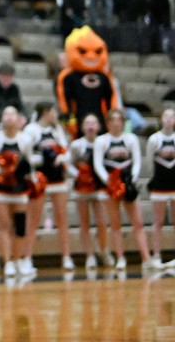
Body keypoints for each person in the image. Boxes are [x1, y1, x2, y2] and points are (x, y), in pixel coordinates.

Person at [0, 106, 35, 277]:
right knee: (4, 226)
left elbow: (29, 163)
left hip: (19, 189)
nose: (9, 117)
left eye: (12, 114)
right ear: (2, 118)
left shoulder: (25, 140)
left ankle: (18, 260)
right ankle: (8, 262)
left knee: (19, 226)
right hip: (0, 189)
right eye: (6, 114)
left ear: (18, 119)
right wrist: (1, 170)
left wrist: (31, 178)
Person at [94, 108, 154, 271]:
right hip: (110, 188)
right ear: (107, 123)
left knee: (138, 223)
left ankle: (146, 258)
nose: (116, 123)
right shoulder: (101, 141)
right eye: (112, 120)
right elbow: (98, 164)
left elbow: (136, 161)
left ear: (123, 122)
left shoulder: (131, 139)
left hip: (128, 186)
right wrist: (110, 181)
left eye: (119, 119)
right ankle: (120, 258)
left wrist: (131, 180)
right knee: (115, 225)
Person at [24, 101, 73, 270]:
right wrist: (43, 160)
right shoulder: (31, 130)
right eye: (54, 111)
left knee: (62, 218)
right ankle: (27, 258)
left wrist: (60, 158)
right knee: (33, 219)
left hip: (58, 178)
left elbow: (66, 152)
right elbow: (27, 155)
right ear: (45, 112)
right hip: (40, 178)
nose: (56, 114)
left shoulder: (57, 130)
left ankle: (66, 257)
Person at [68, 113, 110, 269]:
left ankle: (104, 250)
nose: (91, 126)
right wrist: (78, 175)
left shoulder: (104, 142)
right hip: (82, 189)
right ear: (82, 127)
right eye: (87, 123)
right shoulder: (76, 145)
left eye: (94, 122)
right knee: (84, 223)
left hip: (99, 187)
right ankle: (90, 255)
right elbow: (69, 164)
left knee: (102, 222)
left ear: (99, 126)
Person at [146, 108, 175, 267]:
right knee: (158, 221)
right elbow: (149, 164)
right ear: (161, 119)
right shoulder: (154, 139)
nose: (169, 119)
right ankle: (156, 255)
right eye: (166, 115)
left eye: (172, 116)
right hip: (159, 187)